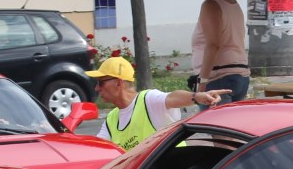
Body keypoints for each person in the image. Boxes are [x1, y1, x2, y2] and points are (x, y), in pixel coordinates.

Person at [86, 56, 221, 149]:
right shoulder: (111, 119)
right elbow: (99, 149)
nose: (97, 88)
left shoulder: (148, 100)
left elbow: (172, 98)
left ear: (118, 82)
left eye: (101, 82)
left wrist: (196, 97)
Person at [193, 0, 250, 104]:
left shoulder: (210, 5)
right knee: (232, 125)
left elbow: (213, 44)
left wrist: (202, 82)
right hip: (239, 74)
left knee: (213, 125)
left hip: (219, 77)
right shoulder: (233, 4)